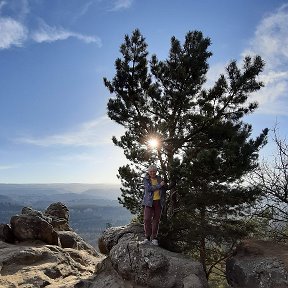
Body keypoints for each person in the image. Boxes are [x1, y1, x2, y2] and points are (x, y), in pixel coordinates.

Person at [140, 165, 166, 246]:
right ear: (148, 172)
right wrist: (160, 185)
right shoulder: (146, 179)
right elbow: (149, 189)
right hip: (149, 202)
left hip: (158, 202)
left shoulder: (159, 178)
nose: (152, 173)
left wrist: (165, 185)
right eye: (151, 171)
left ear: (156, 171)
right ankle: (147, 237)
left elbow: (164, 187)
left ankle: (154, 238)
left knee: (156, 220)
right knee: (147, 219)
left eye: (154, 171)